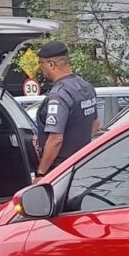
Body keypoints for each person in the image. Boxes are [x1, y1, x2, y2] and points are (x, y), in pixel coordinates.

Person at [34, 41, 99, 180]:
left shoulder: (59, 94)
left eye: (41, 64)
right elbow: (95, 124)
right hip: (82, 162)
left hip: (61, 168)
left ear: (51, 65)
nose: (40, 68)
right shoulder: (86, 86)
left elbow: (56, 139)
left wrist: (41, 173)